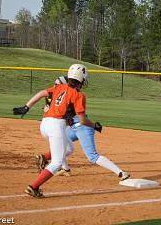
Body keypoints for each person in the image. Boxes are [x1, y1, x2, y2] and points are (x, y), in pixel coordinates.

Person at [13, 64, 98, 198]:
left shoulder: (59, 87)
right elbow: (82, 121)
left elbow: (42, 93)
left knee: (69, 147)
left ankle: (44, 157)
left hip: (45, 124)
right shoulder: (79, 95)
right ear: (82, 79)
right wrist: (94, 126)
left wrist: (26, 107)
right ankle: (33, 187)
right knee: (57, 162)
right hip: (56, 126)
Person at [35, 76, 130, 181]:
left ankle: (121, 173)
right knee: (63, 145)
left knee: (92, 156)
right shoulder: (60, 95)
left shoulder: (71, 95)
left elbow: (79, 119)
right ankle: (59, 166)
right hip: (72, 128)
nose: (55, 86)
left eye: (58, 85)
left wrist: (94, 126)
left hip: (83, 128)